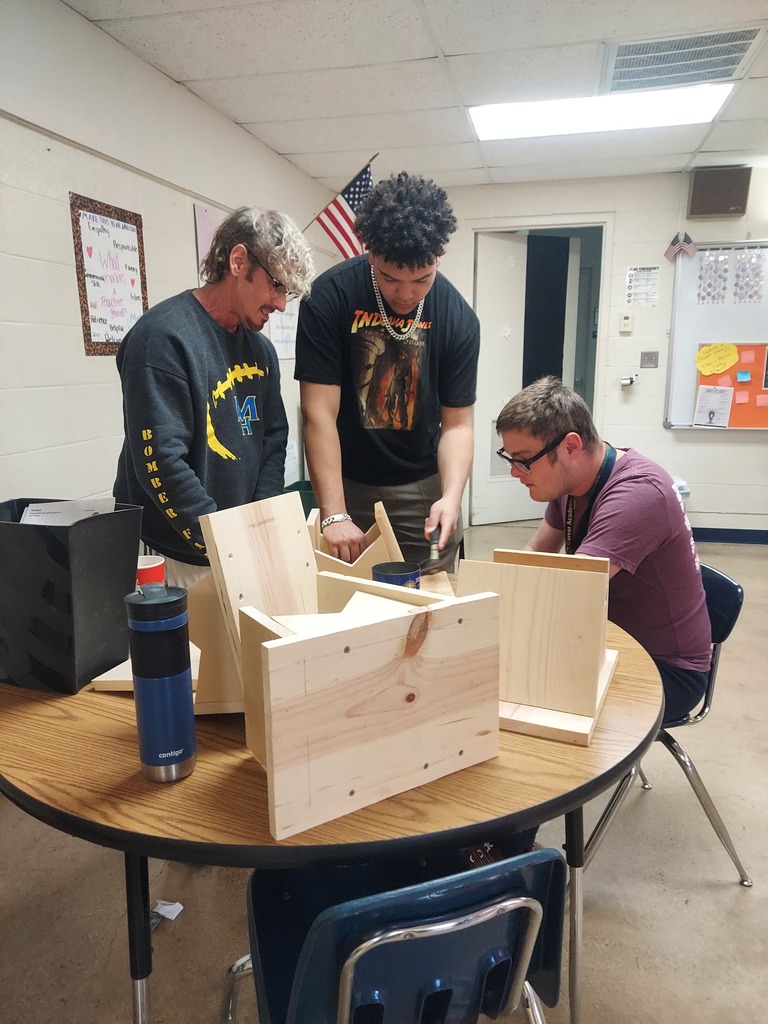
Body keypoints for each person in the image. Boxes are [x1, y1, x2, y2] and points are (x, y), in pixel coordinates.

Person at [113, 207, 315, 588]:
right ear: (238, 261)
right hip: (175, 555)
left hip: (239, 547)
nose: (281, 304)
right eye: (276, 285)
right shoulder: (162, 340)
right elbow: (161, 461)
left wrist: (260, 526)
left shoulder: (262, 352)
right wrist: (223, 542)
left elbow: (273, 442)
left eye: (286, 291)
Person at [495, 376, 712, 723]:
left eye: (523, 460)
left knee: (527, 692)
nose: (514, 472)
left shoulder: (638, 494)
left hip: (666, 668)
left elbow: (571, 594)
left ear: (569, 446)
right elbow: (536, 552)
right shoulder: (572, 481)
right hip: (606, 639)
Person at [295, 172, 480, 572]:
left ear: (438, 258)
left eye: (421, 279)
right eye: (390, 278)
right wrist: (334, 513)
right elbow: (318, 412)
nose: (406, 293)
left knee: (432, 599)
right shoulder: (329, 298)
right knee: (348, 600)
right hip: (345, 480)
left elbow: (458, 426)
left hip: (422, 486)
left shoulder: (458, 318)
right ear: (370, 252)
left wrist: (451, 497)